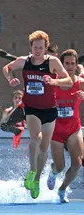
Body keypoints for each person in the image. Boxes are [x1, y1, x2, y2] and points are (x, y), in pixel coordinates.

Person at [2, 30, 73, 199]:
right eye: (35, 47)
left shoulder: (53, 62)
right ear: (31, 47)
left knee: (43, 148)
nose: (38, 51)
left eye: (41, 48)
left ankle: (36, 179)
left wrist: (54, 81)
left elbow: (69, 81)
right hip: (32, 108)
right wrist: (9, 78)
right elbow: (7, 67)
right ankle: (32, 172)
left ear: (46, 47)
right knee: (36, 138)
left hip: (49, 110)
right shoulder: (24, 61)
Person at [47, 49, 84, 203]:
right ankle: (53, 171)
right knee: (60, 166)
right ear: (61, 65)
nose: (69, 66)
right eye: (66, 63)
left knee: (77, 163)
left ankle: (62, 190)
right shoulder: (53, 82)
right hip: (56, 129)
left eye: (72, 64)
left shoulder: (80, 83)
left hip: (73, 127)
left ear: (76, 66)